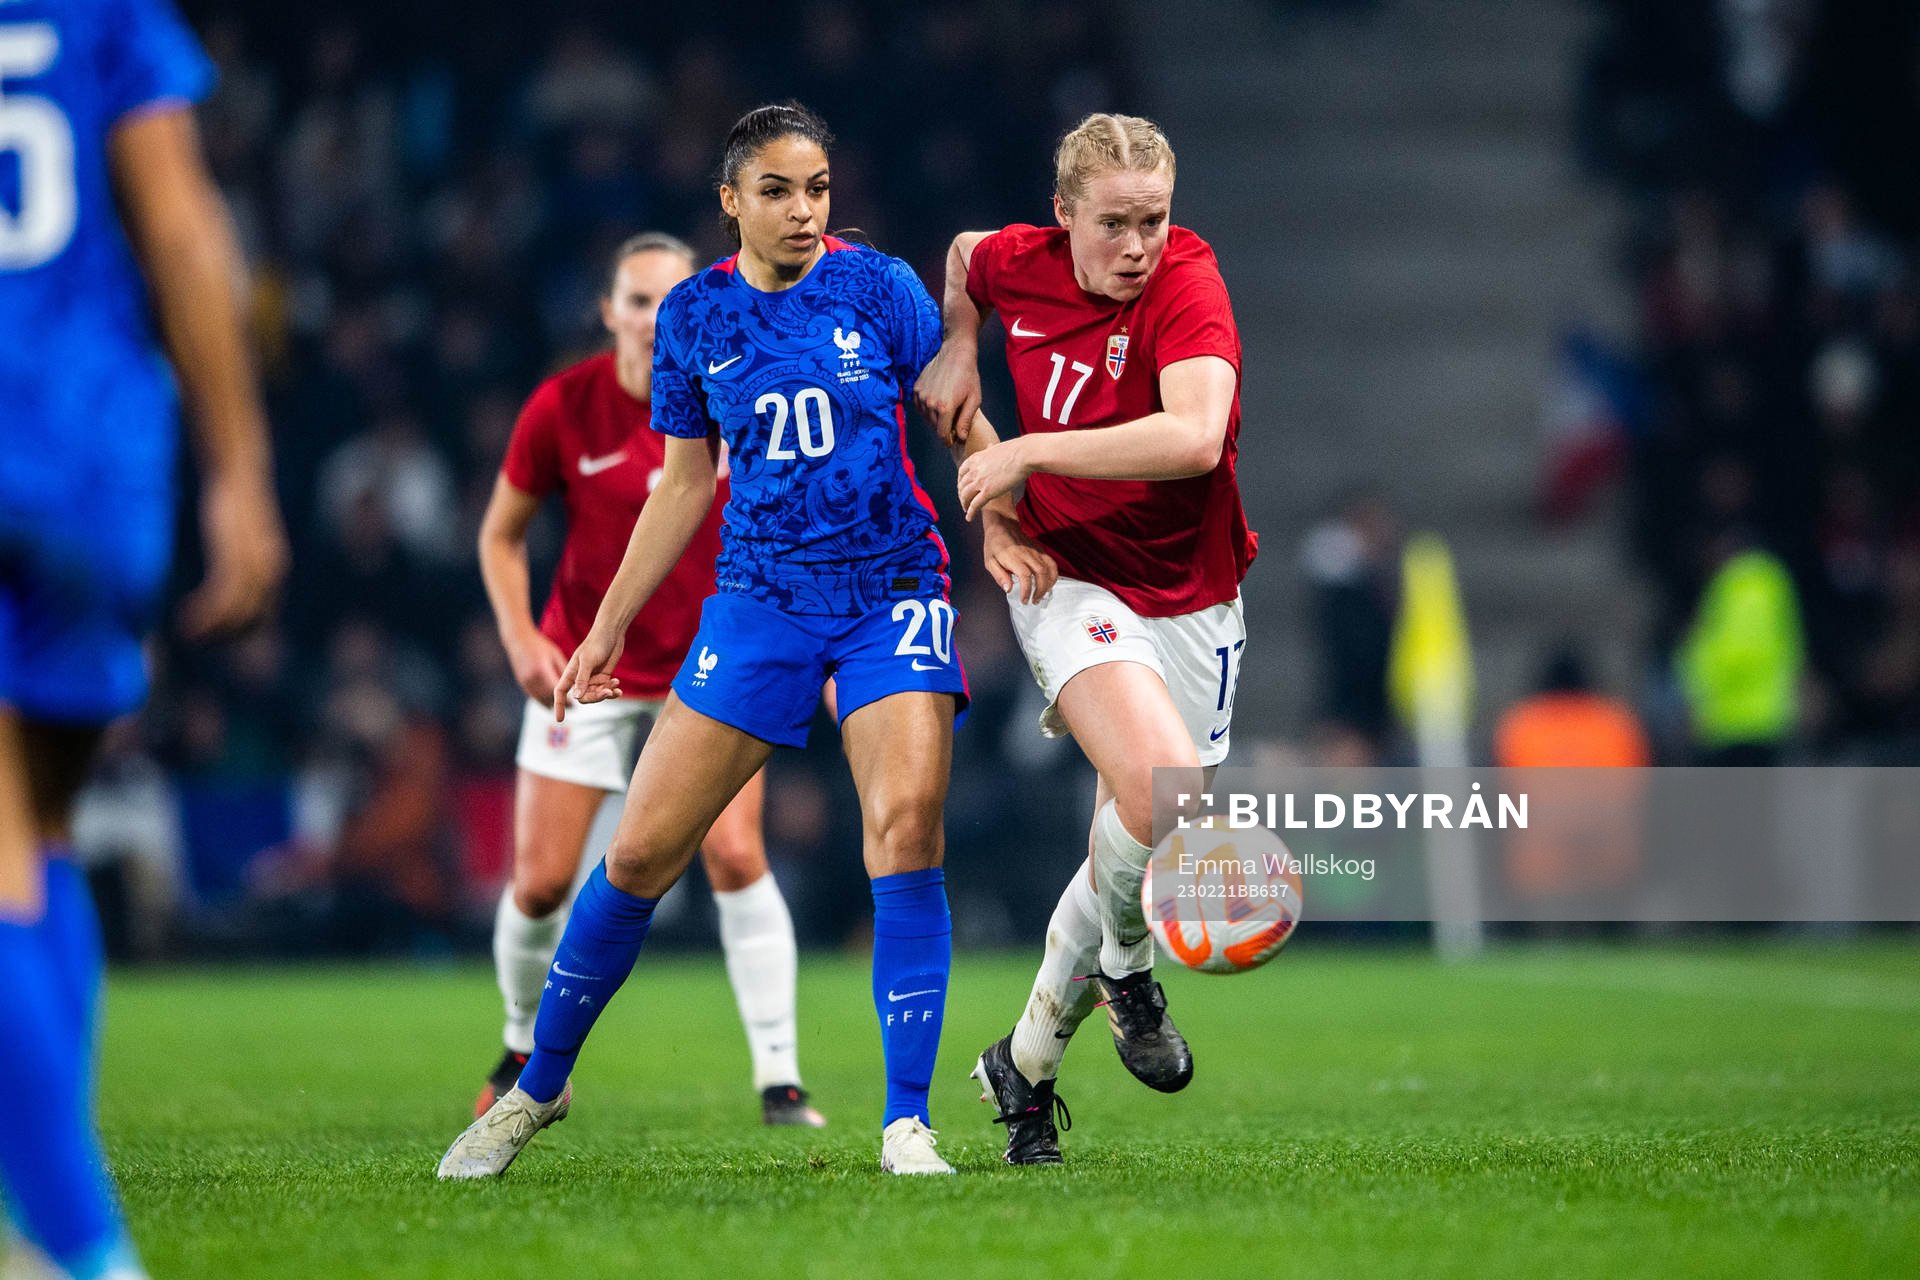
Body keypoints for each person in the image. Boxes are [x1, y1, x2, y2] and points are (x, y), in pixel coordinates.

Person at [439, 102, 1050, 1180]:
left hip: (890, 587)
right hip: (758, 600)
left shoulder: (880, 287)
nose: (805, 209)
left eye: (817, 187)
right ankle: (535, 1091)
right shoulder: (693, 318)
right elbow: (682, 485)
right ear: (732, 202)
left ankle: (906, 1119)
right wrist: (605, 626)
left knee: (905, 828)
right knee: (636, 855)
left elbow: (961, 419)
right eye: (778, 189)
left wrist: (998, 515)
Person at [0, 2, 288, 1276]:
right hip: (93, 450)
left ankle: (85, 1248)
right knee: (38, 829)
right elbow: (182, 227)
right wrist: (238, 468)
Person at [914, 112, 1258, 1165]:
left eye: (1154, 218)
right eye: (1113, 224)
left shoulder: (1187, 284)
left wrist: (1023, 451)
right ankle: (1128, 964)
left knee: (1135, 830)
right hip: (1067, 576)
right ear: (1063, 217)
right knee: (1163, 790)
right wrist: (960, 341)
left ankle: (1024, 1063)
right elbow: (968, 257)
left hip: (1195, 597)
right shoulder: (1023, 259)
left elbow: (1195, 437)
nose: (1138, 245)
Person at [473, 231, 821, 1128]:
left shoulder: (738, 388)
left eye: (672, 297)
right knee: (542, 882)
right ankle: (519, 1048)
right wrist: (519, 636)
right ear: (608, 312)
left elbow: (791, 522)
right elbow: (499, 535)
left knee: (737, 854)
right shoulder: (564, 406)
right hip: (585, 665)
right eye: (636, 299)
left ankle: (781, 1082)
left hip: (708, 669)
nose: (654, 315)